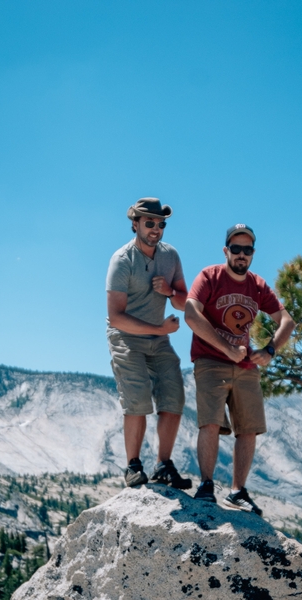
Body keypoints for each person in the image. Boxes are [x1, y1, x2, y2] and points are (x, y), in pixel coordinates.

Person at [185, 223, 295, 514]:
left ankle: (237, 491)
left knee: (248, 429)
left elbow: (287, 321)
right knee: (210, 422)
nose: (241, 255)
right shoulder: (210, 276)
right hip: (210, 360)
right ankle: (206, 485)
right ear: (226, 251)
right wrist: (226, 349)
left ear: (253, 253)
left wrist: (270, 349)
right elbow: (191, 314)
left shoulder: (257, 285)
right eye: (236, 249)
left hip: (246, 365)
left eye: (247, 250)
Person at [106, 197, 191, 489]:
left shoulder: (171, 256)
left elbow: (183, 302)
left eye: (161, 224)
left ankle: (163, 466)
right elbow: (116, 317)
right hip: (126, 338)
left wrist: (169, 292)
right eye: (149, 223)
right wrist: (158, 327)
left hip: (159, 337)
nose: (156, 229)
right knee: (138, 400)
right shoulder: (122, 260)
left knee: (174, 397)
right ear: (135, 224)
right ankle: (132, 467)